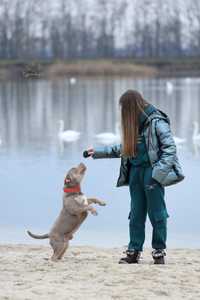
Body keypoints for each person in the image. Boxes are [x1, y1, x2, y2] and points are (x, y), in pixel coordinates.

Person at [83, 90, 184, 265]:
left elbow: (170, 149)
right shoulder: (133, 124)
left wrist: (158, 174)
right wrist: (97, 153)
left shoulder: (156, 121)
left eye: (125, 109)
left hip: (152, 173)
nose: (123, 113)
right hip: (135, 174)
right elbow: (125, 148)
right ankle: (134, 251)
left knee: (157, 213)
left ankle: (159, 251)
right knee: (136, 213)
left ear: (133, 106)